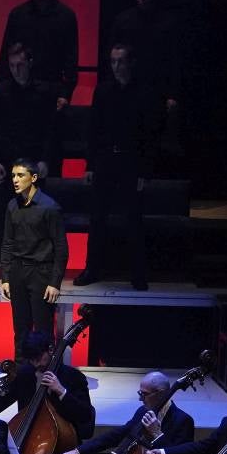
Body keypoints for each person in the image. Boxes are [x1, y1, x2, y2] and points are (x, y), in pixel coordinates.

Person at [74, 43, 162, 291]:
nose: (116, 67)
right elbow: (94, 130)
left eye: (121, 61)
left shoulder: (144, 93)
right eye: (113, 62)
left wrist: (145, 170)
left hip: (131, 162)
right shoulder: (103, 91)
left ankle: (137, 272)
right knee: (97, 217)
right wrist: (90, 164)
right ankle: (92, 269)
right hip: (105, 161)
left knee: (133, 218)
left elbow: (150, 135)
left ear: (131, 63)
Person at [0, 0, 78, 175]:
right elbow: (6, 51)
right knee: (17, 147)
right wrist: (3, 84)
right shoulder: (18, 14)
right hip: (19, 90)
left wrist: (66, 93)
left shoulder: (65, 17)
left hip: (50, 91)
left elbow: (71, 58)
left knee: (48, 151)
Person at [57, 370, 195, 454]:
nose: (140, 399)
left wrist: (157, 434)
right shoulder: (143, 411)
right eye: (139, 393)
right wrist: (78, 451)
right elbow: (118, 435)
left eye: (144, 394)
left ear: (161, 393)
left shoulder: (183, 421)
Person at [0, 42, 56, 269]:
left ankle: (36, 264)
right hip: (7, 165)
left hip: (34, 164)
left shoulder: (44, 92)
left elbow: (51, 130)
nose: (16, 70)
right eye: (12, 65)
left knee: (37, 217)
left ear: (30, 63)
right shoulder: (0, 92)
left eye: (20, 64)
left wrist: (46, 159)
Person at [111, 0, 181, 162]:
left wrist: (172, 93)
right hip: (129, 87)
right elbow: (113, 56)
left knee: (152, 137)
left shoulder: (168, 22)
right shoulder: (123, 21)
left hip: (156, 88)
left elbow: (174, 60)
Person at [0, 158, 65, 353]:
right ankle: (22, 376)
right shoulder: (12, 205)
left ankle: (45, 378)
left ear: (33, 177)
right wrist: (6, 277)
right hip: (18, 271)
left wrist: (55, 282)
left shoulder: (49, 208)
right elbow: (7, 242)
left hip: (41, 273)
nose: (15, 180)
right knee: (21, 329)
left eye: (20, 175)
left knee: (43, 330)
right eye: (13, 176)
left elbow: (61, 247)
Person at [0, 330, 94, 440]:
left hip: (63, 442)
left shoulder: (74, 377)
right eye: (31, 360)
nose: (36, 364)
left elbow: (85, 415)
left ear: (50, 349)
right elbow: (0, 404)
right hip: (28, 436)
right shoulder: (24, 374)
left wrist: (61, 391)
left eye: (38, 358)